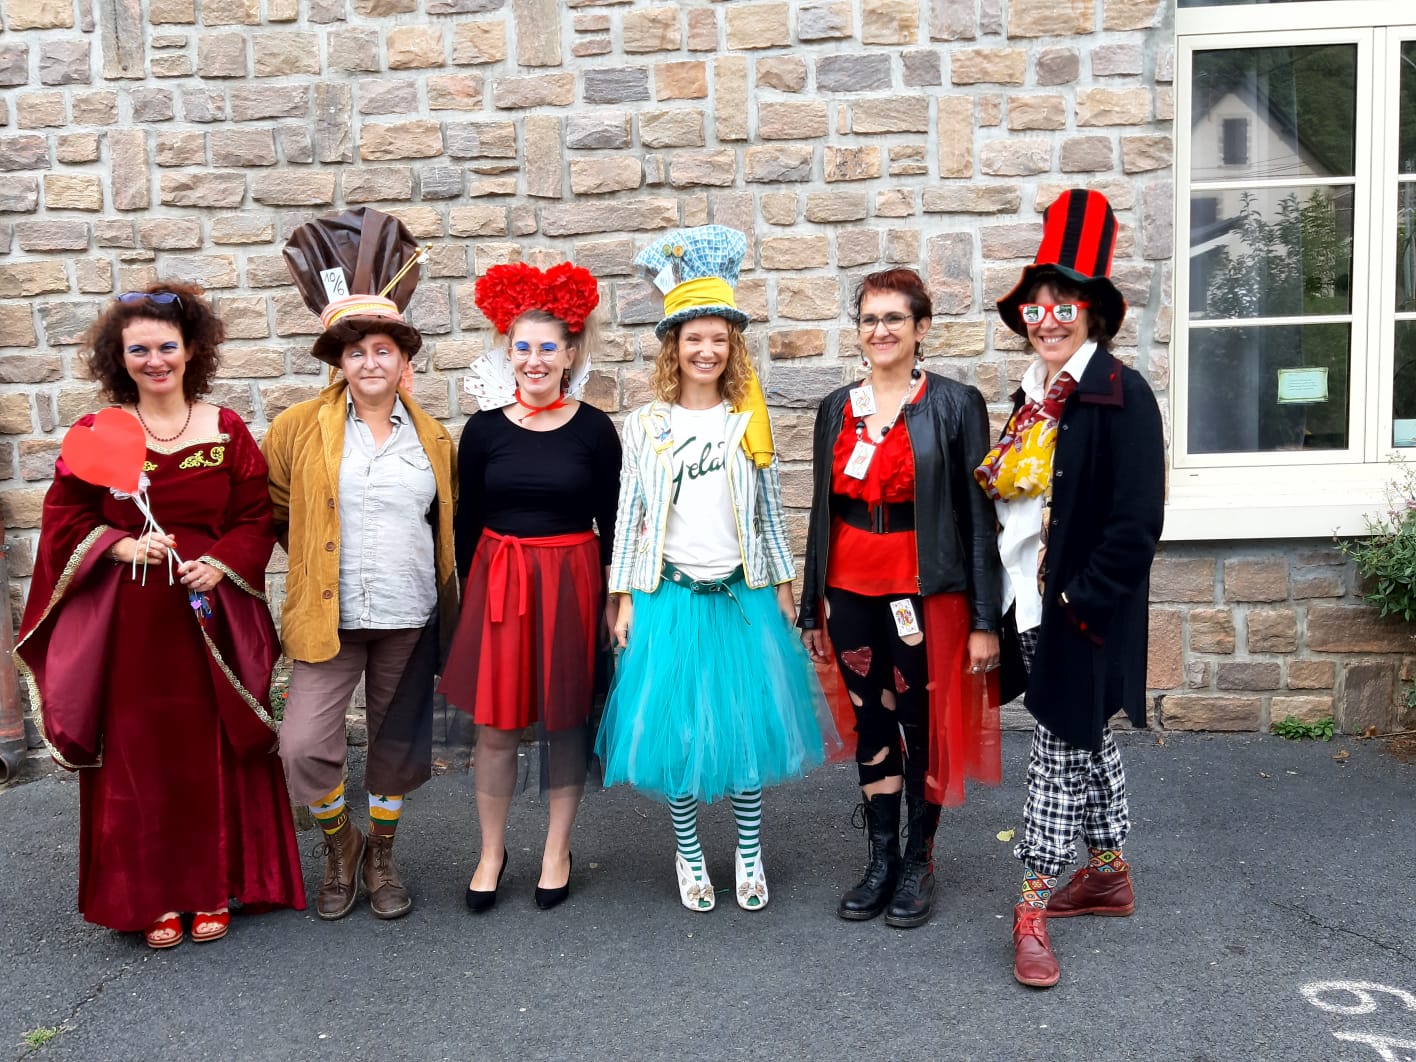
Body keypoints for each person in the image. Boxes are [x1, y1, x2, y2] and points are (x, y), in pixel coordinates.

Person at [15, 282, 304, 948]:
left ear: (191, 349)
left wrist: (222, 563)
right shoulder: (97, 436)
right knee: (141, 755)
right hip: (133, 626)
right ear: (120, 359)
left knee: (213, 748)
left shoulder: (226, 429)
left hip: (210, 617)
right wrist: (120, 545)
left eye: (166, 346)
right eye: (139, 350)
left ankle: (213, 888)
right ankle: (152, 895)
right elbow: (64, 521)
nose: (155, 360)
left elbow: (254, 516)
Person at [596, 225, 832, 913]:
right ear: (674, 346)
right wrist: (624, 597)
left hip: (741, 594)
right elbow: (631, 517)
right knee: (679, 732)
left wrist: (784, 585)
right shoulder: (648, 426)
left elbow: (768, 512)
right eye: (694, 338)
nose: (707, 349)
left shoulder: (744, 422)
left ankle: (749, 853)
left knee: (746, 726)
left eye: (719, 339)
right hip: (669, 597)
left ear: (733, 348)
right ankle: (690, 853)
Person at [978, 189, 1165, 988]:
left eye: (1063, 305)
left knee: (1055, 750)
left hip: (1079, 614)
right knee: (1084, 735)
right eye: (1035, 306)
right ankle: (1110, 875)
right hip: (1027, 601)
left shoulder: (1122, 394)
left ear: (1093, 312)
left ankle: (1031, 907)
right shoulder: (1031, 399)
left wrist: (1076, 601)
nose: (1046, 319)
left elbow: (1137, 523)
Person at [263, 208, 457, 921]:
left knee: (394, 749)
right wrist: (316, 566)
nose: (370, 363)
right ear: (338, 363)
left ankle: (381, 854)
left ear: (404, 361)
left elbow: (443, 523)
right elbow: (277, 510)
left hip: (409, 613)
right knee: (303, 745)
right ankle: (338, 841)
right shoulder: (296, 428)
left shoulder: (434, 437)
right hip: (332, 616)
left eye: (383, 350)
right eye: (356, 353)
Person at [798, 268, 1003, 929]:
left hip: (926, 589)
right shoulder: (837, 407)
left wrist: (984, 619)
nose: (880, 330)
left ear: (921, 328)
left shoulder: (956, 403)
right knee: (872, 723)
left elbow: (979, 518)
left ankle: (919, 860)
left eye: (894, 318)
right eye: (869, 319)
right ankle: (881, 858)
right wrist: (811, 607)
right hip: (849, 588)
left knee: (922, 723)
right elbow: (821, 513)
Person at [438, 261, 621, 912]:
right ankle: (491, 852)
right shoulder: (484, 429)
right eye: (523, 347)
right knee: (495, 725)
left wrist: (613, 601)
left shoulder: (595, 429)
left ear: (570, 354)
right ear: (507, 353)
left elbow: (614, 521)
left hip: (572, 580)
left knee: (564, 721)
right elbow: (465, 521)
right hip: (500, 582)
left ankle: (555, 851)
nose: (535, 360)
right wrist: (470, 598)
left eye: (548, 348)